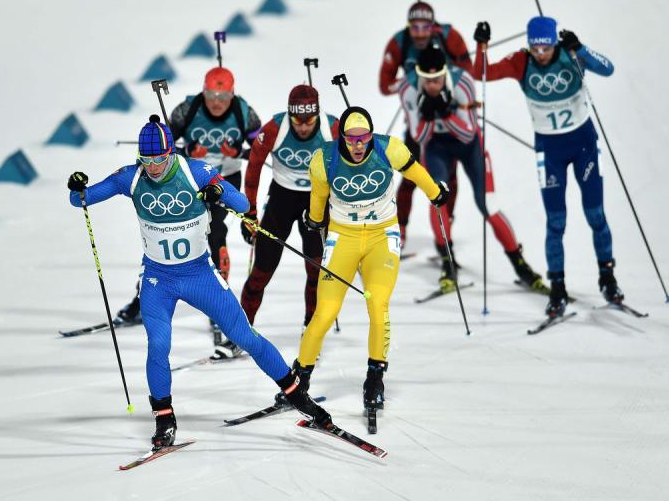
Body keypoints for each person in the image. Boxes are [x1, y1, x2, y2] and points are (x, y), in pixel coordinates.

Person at [66, 115, 331, 448]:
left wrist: (217, 191)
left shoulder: (194, 171)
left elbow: (243, 204)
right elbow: (82, 200)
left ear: (170, 153)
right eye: (146, 161)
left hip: (199, 276)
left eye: (160, 159)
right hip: (157, 281)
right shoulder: (130, 178)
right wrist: (77, 187)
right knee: (159, 345)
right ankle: (164, 418)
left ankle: (297, 395)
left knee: (244, 336)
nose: (153, 168)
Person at [293, 106, 449, 413]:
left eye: (363, 138)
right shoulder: (324, 159)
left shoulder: (388, 147)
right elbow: (319, 198)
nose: (357, 145)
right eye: (350, 140)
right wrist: (313, 220)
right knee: (324, 312)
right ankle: (300, 379)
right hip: (344, 237)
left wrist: (435, 193)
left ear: (371, 135)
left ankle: (375, 377)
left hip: (382, 237)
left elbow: (414, 170)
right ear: (341, 138)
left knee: (377, 304)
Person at [473, 17, 621, 317]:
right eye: (536, 48)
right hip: (549, 151)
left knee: (595, 214)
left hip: (584, 147)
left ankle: (607, 278)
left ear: (555, 43)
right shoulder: (521, 62)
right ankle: (557, 288)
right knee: (556, 222)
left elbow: (607, 69)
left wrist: (581, 48)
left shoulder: (571, 55)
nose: (541, 54)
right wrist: (481, 45)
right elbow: (481, 72)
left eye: (546, 47)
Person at [115, 66, 260, 333]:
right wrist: (188, 149)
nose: (217, 102)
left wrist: (238, 150)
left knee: (215, 233)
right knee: (162, 237)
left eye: (224, 95)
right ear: (203, 91)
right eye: (212, 94)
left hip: (221, 180)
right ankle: (141, 300)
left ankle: (219, 307)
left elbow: (260, 149)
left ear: (233, 94)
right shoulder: (188, 109)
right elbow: (163, 144)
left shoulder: (244, 112)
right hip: (182, 179)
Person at [407, 45, 546, 293]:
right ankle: (447, 263)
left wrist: (446, 112)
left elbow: (468, 133)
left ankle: (519, 263)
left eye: (437, 79)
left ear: (444, 72)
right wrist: (428, 116)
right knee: (437, 201)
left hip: (468, 147)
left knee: (487, 205)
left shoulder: (463, 83)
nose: (432, 85)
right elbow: (419, 137)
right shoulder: (409, 90)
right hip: (436, 146)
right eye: (426, 81)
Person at [232, 85, 339, 357]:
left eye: (309, 121)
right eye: (297, 122)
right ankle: (243, 331)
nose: (303, 128)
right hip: (281, 200)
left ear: (317, 115)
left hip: (317, 202)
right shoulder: (275, 128)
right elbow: (254, 167)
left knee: (315, 269)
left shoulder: (332, 128)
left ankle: (310, 327)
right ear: (290, 115)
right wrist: (250, 212)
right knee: (261, 272)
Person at [379, 1, 470, 248]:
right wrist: (406, 83)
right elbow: (384, 85)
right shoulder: (399, 42)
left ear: (433, 26)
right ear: (409, 26)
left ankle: (445, 226)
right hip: (418, 121)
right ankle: (401, 229)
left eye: (425, 26)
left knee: (450, 178)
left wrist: (447, 77)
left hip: (448, 119)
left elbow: (468, 71)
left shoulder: (448, 36)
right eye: (415, 27)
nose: (420, 33)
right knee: (410, 176)